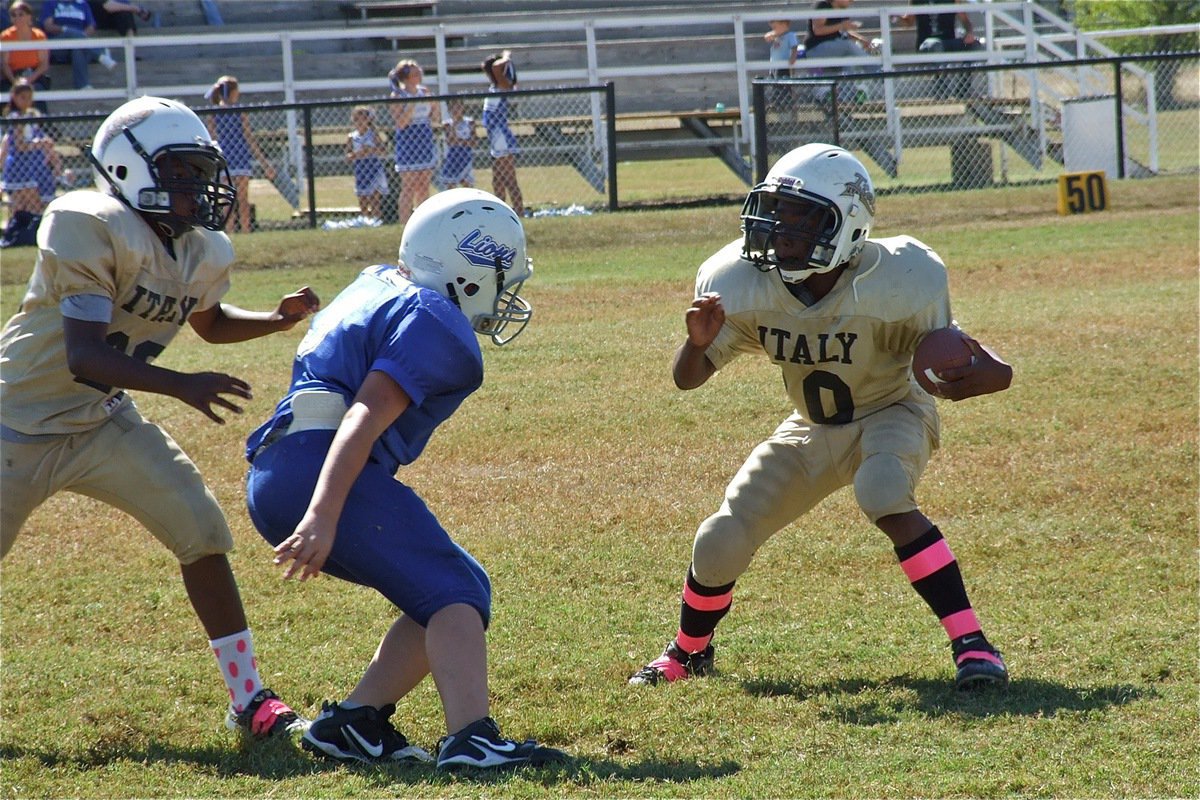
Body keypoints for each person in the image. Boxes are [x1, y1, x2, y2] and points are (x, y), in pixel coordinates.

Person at [628, 143, 1012, 693]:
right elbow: (687, 378)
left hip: (892, 409)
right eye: (777, 212)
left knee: (883, 490)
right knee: (720, 538)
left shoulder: (901, 275)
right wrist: (696, 344)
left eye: (801, 217)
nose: (781, 230)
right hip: (811, 425)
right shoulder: (737, 279)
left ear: (848, 224)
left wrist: (986, 371)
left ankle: (973, 644)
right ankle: (688, 652)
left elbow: (958, 355)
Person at [0, 96, 319, 738]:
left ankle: (250, 701)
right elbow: (85, 354)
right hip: (17, 423)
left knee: (200, 528)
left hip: (99, 419)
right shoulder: (88, 222)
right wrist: (182, 385)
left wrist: (274, 320)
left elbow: (209, 321)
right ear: (127, 167)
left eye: (201, 173)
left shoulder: (201, 248)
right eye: (180, 172)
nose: (197, 188)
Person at [243, 188, 567, 770]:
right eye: (500, 279)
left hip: (281, 467)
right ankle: (471, 740)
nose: (505, 296)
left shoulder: (379, 282)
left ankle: (354, 722)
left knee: (453, 586)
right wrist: (322, 512)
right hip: (316, 470)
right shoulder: (436, 320)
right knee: (454, 592)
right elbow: (364, 415)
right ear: (468, 272)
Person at [205, 75, 276, 234]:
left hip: (233, 157)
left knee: (232, 199)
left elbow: (245, 136)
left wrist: (264, 163)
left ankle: (238, 231)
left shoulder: (225, 112)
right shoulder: (217, 113)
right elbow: (246, 137)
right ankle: (238, 230)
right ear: (231, 92)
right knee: (238, 199)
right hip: (229, 158)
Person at [387, 59, 439, 225]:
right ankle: (404, 223)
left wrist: (433, 104)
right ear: (406, 77)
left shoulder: (424, 91)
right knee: (409, 186)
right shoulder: (398, 95)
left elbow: (435, 118)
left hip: (425, 139)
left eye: (419, 72)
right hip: (408, 141)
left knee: (424, 186)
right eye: (415, 73)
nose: (419, 75)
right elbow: (400, 123)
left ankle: (424, 223)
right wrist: (412, 103)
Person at [897, 0, 983, 98]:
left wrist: (969, 33)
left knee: (974, 44)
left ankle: (963, 89)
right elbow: (908, 22)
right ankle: (941, 89)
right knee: (936, 45)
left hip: (947, 43)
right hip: (927, 45)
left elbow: (966, 21)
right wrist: (896, 17)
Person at [0, 79, 60, 217]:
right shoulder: (16, 117)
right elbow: (20, 146)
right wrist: (40, 143)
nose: (27, 101)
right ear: (14, 97)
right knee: (22, 207)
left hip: (29, 164)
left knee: (32, 207)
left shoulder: (30, 115)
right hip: (19, 165)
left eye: (29, 98)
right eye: (23, 98)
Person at [803, 0, 878, 101]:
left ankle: (846, 98)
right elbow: (818, 30)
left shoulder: (843, 11)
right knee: (847, 45)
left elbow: (844, 32)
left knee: (848, 59)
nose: (851, 1)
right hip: (817, 49)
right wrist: (842, 25)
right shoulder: (823, 5)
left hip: (835, 49)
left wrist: (861, 39)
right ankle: (877, 71)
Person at [38, 0, 116, 91]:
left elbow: (91, 26)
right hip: (58, 45)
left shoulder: (82, 4)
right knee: (72, 33)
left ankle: (83, 86)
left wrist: (80, 38)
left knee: (78, 46)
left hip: (78, 45)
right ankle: (100, 53)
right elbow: (48, 26)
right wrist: (65, 29)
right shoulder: (51, 3)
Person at [481, 51, 524, 218]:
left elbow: (495, 67)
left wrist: (506, 57)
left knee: (509, 179)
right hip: (495, 138)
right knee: (497, 180)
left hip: (501, 138)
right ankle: (499, 215)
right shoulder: (494, 86)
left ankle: (519, 213)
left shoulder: (503, 85)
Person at [1, 1, 52, 105]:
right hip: (12, 76)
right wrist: (15, 82)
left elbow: (44, 64)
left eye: (21, 15)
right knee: (6, 93)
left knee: (37, 90)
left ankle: (40, 116)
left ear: (29, 17)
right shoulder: (5, 36)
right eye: (14, 15)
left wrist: (29, 80)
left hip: (34, 76)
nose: (17, 18)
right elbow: (4, 64)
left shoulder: (39, 36)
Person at [345, 104, 387, 226]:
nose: (359, 122)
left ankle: (376, 221)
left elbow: (383, 151)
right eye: (356, 119)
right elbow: (347, 157)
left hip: (373, 168)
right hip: (361, 169)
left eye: (363, 119)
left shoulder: (373, 134)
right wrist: (357, 154)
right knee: (363, 200)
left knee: (375, 199)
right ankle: (365, 221)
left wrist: (371, 150)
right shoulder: (352, 137)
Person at [436, 97, 475, 190]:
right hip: (452, 156)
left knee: (467, 184)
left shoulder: (469, 122)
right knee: (451, 184)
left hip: (466, 155)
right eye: (453, 107)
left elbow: (473, 142)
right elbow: (451, 142)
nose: (456, 110)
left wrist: (460, 141)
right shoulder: (447, 124)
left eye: (458, 107)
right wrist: (454, 123)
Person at [764, 19, 800, 110]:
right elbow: (766, 37)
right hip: (773, 65)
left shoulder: (790, 35)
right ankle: (776, 103)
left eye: (775, 27)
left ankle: (786, 103)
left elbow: (794, 47)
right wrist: (774, 34)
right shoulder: (776, 36)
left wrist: (793, 57)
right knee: (774, 84)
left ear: (784, 24)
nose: (773, 29)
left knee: (784, 85)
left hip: (783, 66)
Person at [88, 0, 152, 37]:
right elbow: (108, 7)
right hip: (93, 19)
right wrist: (136, 9)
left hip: (112, 18)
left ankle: (130, 47)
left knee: (125, 12)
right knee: (125, 10)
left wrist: (137, 9)